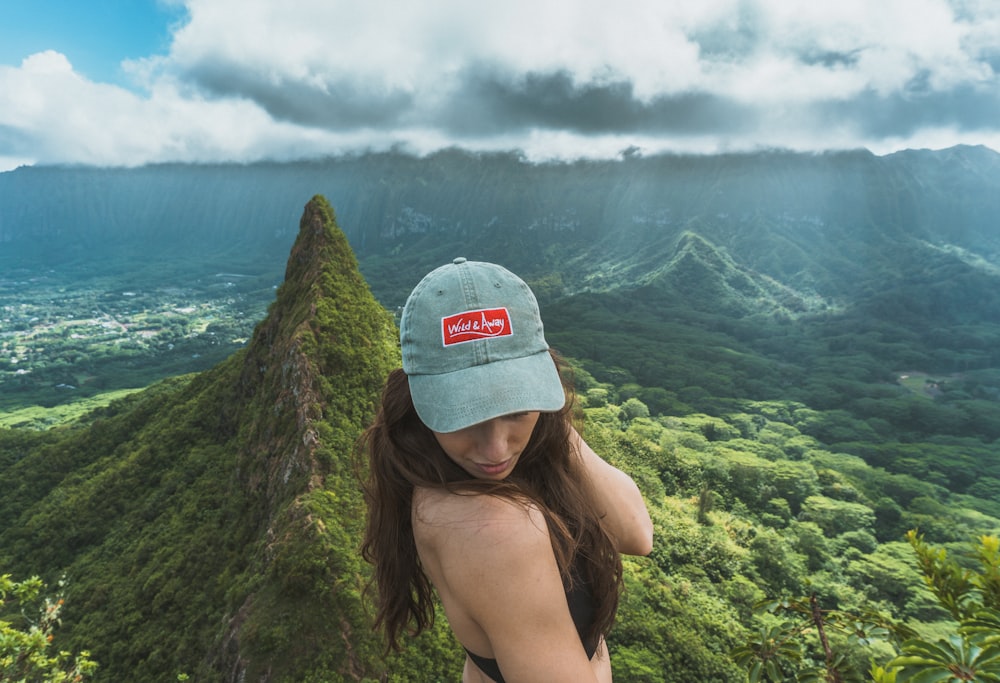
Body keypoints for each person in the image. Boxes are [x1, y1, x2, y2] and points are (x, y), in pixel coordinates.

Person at [360, 257, 654, 682]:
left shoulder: (435, 465)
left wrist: (545, 412)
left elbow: (636, 533)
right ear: (420, 401)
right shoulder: (493, 530)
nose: (496, 449)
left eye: (515, 409)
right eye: (465, 415)